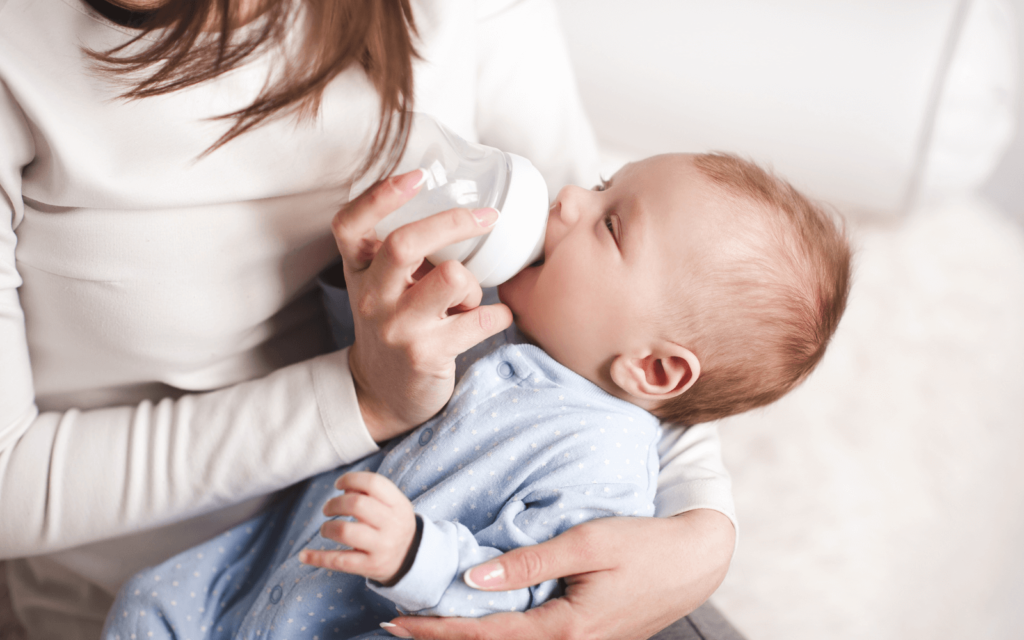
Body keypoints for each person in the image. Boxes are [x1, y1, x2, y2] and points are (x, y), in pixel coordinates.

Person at [0, 1, 738, 639]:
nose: (570, 201)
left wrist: (703, 527)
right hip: (191, 587)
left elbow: (665, 294)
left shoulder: (555, 366)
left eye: (605, 214)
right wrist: (361, 394)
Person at [101, 152, 852, 640]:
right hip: (253, 580)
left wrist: (417, 556)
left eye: (610, 225)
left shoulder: (602, 461)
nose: (566, 202)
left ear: (653, 371)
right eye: (599, 188)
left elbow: (526, 593)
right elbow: (370, 370)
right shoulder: (501, 319)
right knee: (145, 605)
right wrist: (361, 291)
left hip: (360, 615)